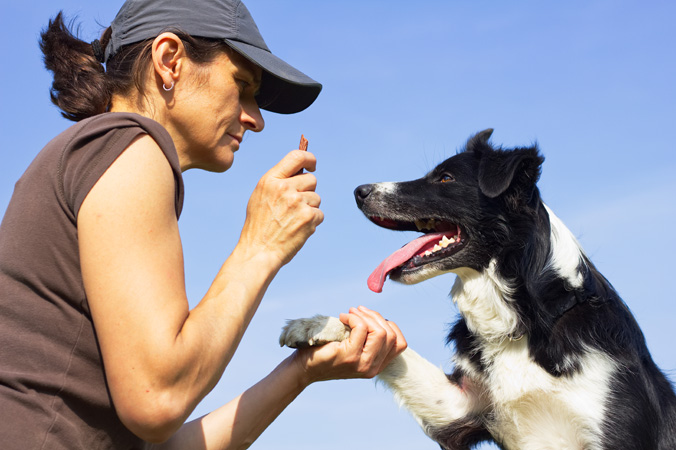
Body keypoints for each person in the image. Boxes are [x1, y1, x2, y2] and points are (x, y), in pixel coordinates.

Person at [0, 0, 407, 449]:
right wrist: (262, 245)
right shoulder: (130, 146)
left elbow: (165, 441)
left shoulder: (93, 156)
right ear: (169, 60)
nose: (256, 119)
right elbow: (158, 399)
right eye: (242, 85)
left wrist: (302, 372)